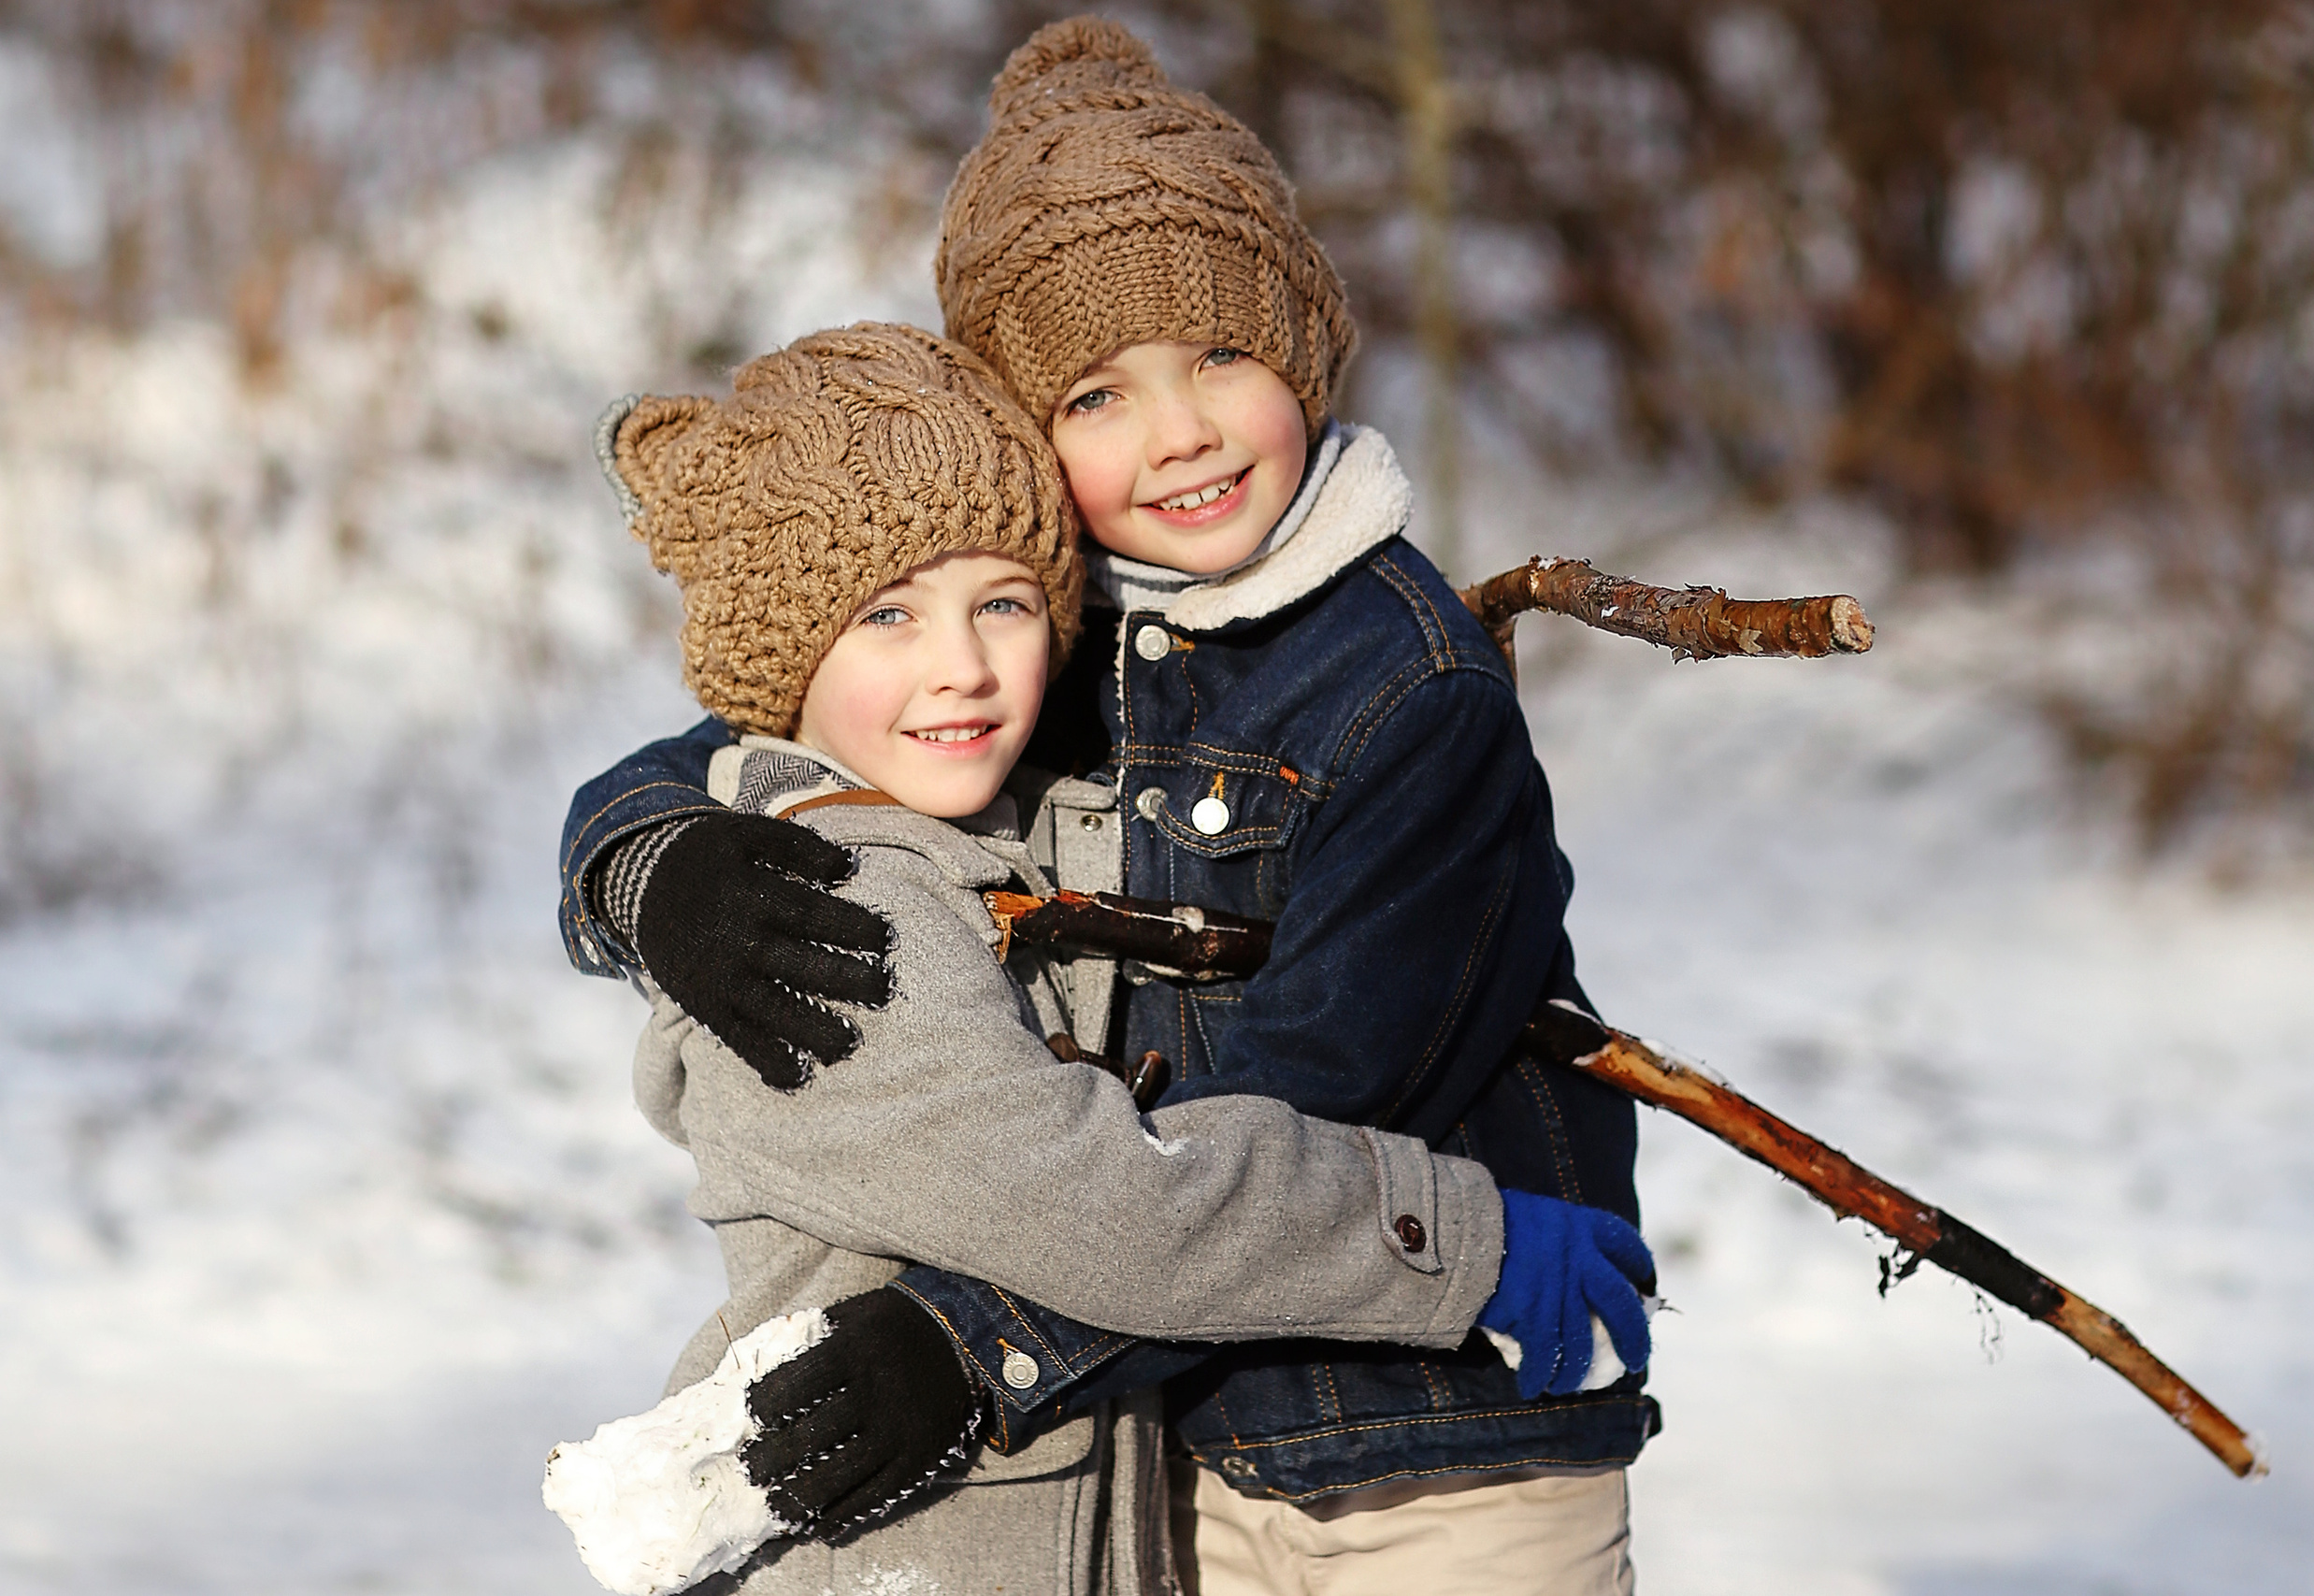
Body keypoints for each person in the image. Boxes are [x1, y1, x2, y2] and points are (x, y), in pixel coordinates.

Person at [559, 22, 1657, 1594]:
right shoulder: (1041, 640)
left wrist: (979, 1348)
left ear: (1307, 344)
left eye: (1223, 355)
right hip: (1177, 1458)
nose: (1182, 433)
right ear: (1023, 431)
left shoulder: (1412, 701)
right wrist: (645, 866)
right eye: (1095, 394)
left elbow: (1311, 1094)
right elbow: (762, 731)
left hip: (1430, 1437)